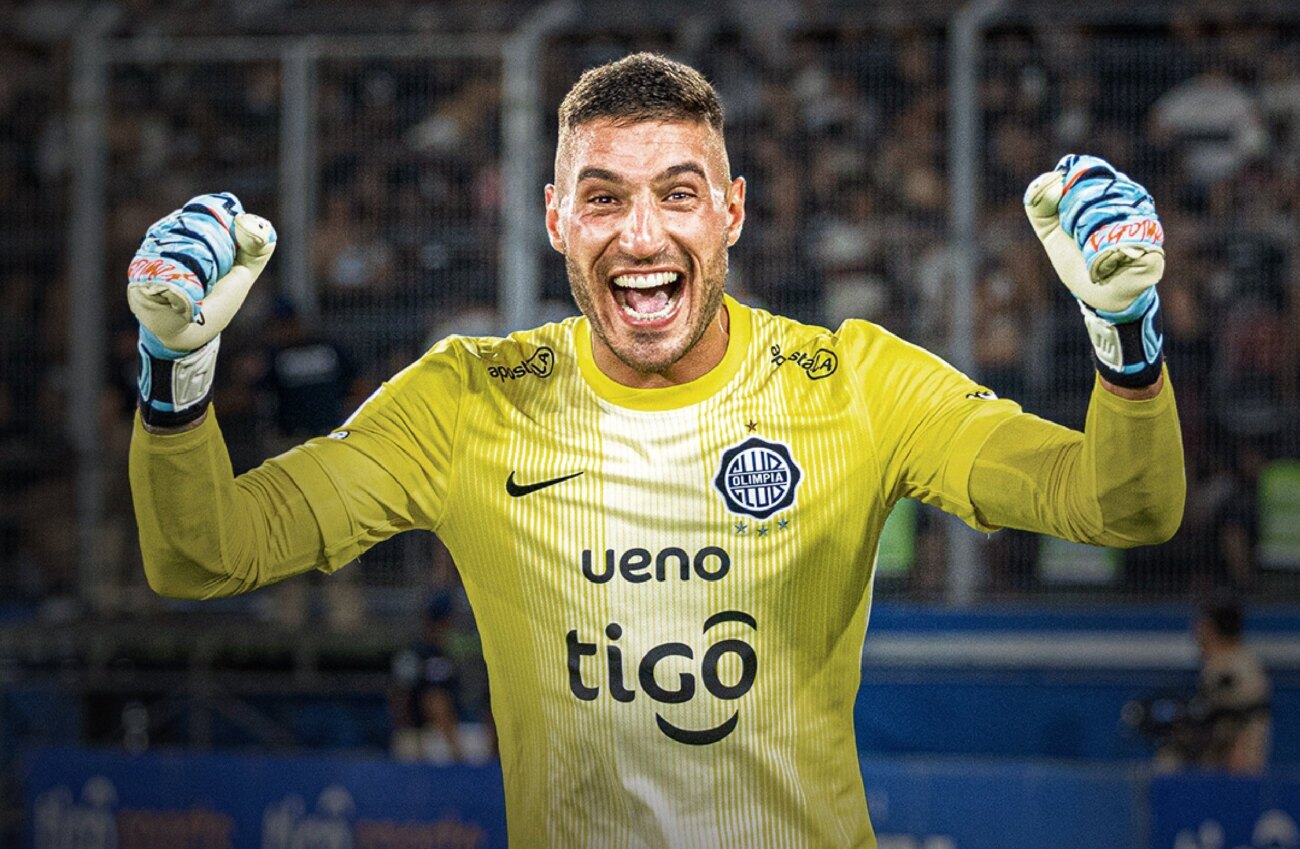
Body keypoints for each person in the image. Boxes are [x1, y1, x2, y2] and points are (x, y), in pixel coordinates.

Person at [127, 54, 1184, 848]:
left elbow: (1123, 507)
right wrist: (176, 372)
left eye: (678, 193)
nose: (640, 237)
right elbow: (204, 554)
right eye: (603, 198)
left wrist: (1125, 339)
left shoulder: (857, 384)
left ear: (731, 212)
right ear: (555, 219)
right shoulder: (465, 399)